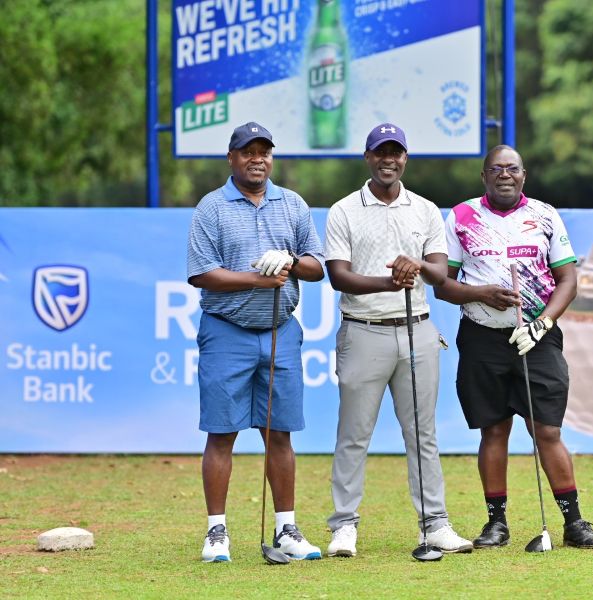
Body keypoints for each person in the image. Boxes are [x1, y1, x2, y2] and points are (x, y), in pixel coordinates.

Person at [434, 145, 593, 549]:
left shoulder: (544, 215)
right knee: (493, 430)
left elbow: (568, 280)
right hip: (481, 336)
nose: (504, 175)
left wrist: (543, 322)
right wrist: (481, 294)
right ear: (484, 176)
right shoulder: (461, 217)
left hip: (537, 337)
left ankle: (573, 521)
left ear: (523, 175)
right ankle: (496, 523)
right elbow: (443, 285)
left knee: (546, 428)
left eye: (512, 169)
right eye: (496, 169)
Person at [323, 123, 472, 557]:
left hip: (417, 330)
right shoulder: (344, 210)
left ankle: (435, 524)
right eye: (380, 152)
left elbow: (442, 273)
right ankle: (344, 526)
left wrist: (418, 267)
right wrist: (390, 283)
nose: (389, 159)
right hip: (363, 331)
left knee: (422, 433)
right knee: (353, 435)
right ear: (368, 157)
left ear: (405, 158)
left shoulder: (424, 209)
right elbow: (339, 276)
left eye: (397, 153)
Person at [187, 122, 326, 562]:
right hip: (226, 331)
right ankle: (217, 533)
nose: (257, 159)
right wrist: (257, 278)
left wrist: (291, 260)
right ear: (232, 158)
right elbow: (201, 273)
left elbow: (317, 265)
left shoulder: (292, 204)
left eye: (264, 151)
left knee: (280, 433)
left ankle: (286, 528)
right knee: (221, 433)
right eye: (248, 152)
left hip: (280, 331)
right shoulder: (212, 207)